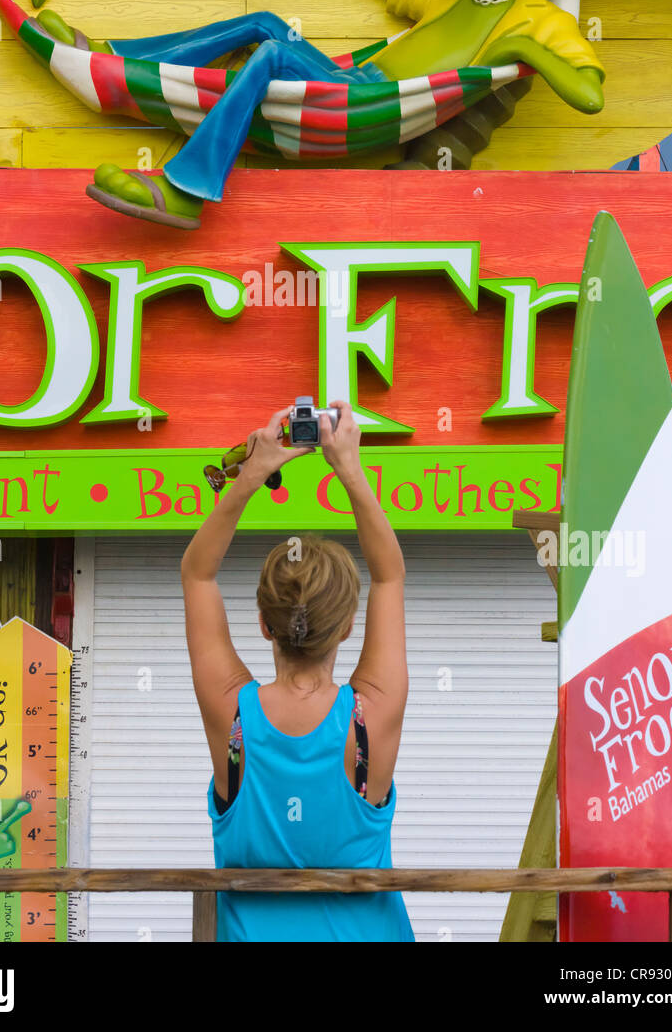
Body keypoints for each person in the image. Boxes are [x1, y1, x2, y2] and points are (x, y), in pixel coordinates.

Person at [180, 400, 414, 942]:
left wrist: (250, 474)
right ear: (350, 627)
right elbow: (391, 577)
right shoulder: (369, 716)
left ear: (263, 623)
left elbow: (197, 575)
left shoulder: (234, 717)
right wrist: (349, 468)